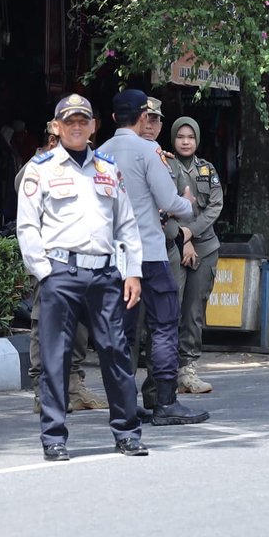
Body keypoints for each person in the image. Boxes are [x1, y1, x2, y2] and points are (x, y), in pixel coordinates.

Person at [15, 93, 148, 461]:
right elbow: (27, 228)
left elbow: (127, 225)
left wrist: (132, 272)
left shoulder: (108, 169)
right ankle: (54, 437)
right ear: (56, 127)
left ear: (93, 127)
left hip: (106, 274)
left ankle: (127, 432)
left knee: (117, 354)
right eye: (69, 121)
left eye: (82, 121)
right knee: (55, 358)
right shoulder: (39, 170)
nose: (76, 127)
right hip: (61, 272)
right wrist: (45, 274)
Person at [100, 89, 209, 426]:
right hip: (149, 252)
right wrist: (187, 203)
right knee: (163, 325)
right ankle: (165, 402)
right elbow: (169, 200)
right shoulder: (148, 150)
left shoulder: (99, 153)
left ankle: (124, 404)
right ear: (144, 117)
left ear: (113, 118)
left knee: (123, 332)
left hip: (115, 257)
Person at [19, 120, 105, 415]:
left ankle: (73, 385)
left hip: (79, 262)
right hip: (49, 262)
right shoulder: (37, 168)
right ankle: (43, 391)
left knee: (79, 327)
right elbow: (27, 222)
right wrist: (43, 269)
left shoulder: (87, 167)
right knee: (45, 325)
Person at [165, 116, 225, 395]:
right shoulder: (164, 166)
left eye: (190, 137)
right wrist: (182, 237)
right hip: (172, 247)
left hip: (205, 248)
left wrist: (190, 232)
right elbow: (162, 208)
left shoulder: (207, 169)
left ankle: (187, 369)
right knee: (169, 309)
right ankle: (165, 368)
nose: (185, 141)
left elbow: (215, 207)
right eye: (180, 137)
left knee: (194, 311)